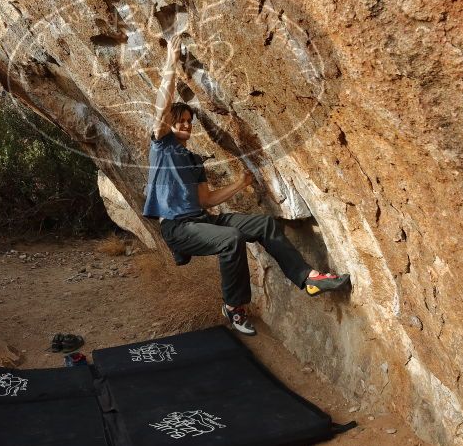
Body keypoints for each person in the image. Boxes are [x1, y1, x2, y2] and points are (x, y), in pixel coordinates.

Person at [143, 33, 350, 335]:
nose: (186, 124)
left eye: (189, 120)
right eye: (181, 120)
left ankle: (308, 279)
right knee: (230, 239)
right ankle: (233, 306)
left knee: (264, 225)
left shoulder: (194, 160)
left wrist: (240, 184)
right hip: (177, 228)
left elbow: (207, 201)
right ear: (170, 124)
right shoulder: (160, 146)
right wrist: (171, 62)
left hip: (200, 219)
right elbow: (162, 108)